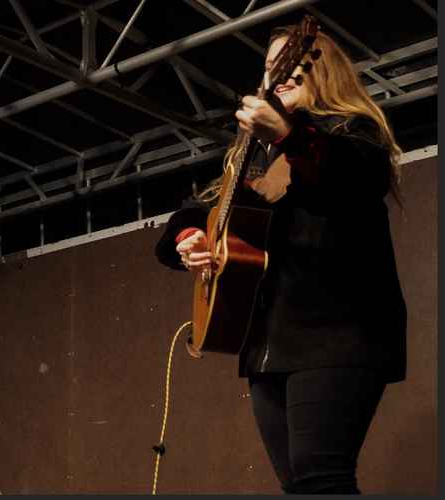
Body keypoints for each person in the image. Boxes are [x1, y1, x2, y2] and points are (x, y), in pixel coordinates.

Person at [156, 24, 406, 494]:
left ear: (321, 71)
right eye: (270, 69)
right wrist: (189, 237)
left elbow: (346, 175)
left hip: (336, 332)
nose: (279, 76)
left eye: (290, 65)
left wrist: (292, 135)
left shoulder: (351, 132)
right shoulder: (249, 160)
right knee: (297, 484)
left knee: (321, 478)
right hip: (268, 343)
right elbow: (195, 209)